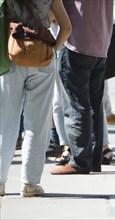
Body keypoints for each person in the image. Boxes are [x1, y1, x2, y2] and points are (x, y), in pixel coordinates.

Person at [0, 0, 71, 197]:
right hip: (42, 56)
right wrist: (54, 51)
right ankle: (30, 183)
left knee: (6, 122)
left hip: (11, 54)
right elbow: (66, 27)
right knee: (37, 123)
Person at [50, 0, 114, 175]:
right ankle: (93, 160)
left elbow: (53, 15)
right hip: (100, 43)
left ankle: (79, 161)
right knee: (94, 105)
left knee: (76, 105)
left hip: (75, 43)